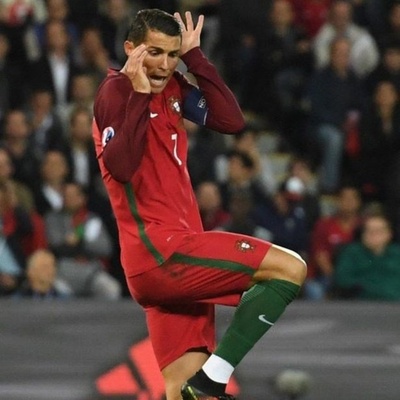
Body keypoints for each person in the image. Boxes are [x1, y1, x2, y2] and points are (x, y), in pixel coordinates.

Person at [92, 9, 306, 400]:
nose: (164, 64)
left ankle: (205, 385)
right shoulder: (116, 92)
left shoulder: (174, 86)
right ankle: (215, 376)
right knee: (289, 268)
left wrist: (195, 58)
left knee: (184, 392)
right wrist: (139, 94)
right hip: (162, 253)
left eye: (172, 54)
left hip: (175, 259)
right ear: (130, 48)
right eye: (154, 52)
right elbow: (120, 168)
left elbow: (230, 121)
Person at [333, 211, 400, 301]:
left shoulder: (397, 253)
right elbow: (342, 279)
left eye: (378, 231)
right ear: (363, 234)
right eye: (369, 231)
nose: (373, 235)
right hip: (362, 304)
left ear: (389, 234)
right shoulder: (352, 252)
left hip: (395, 303)